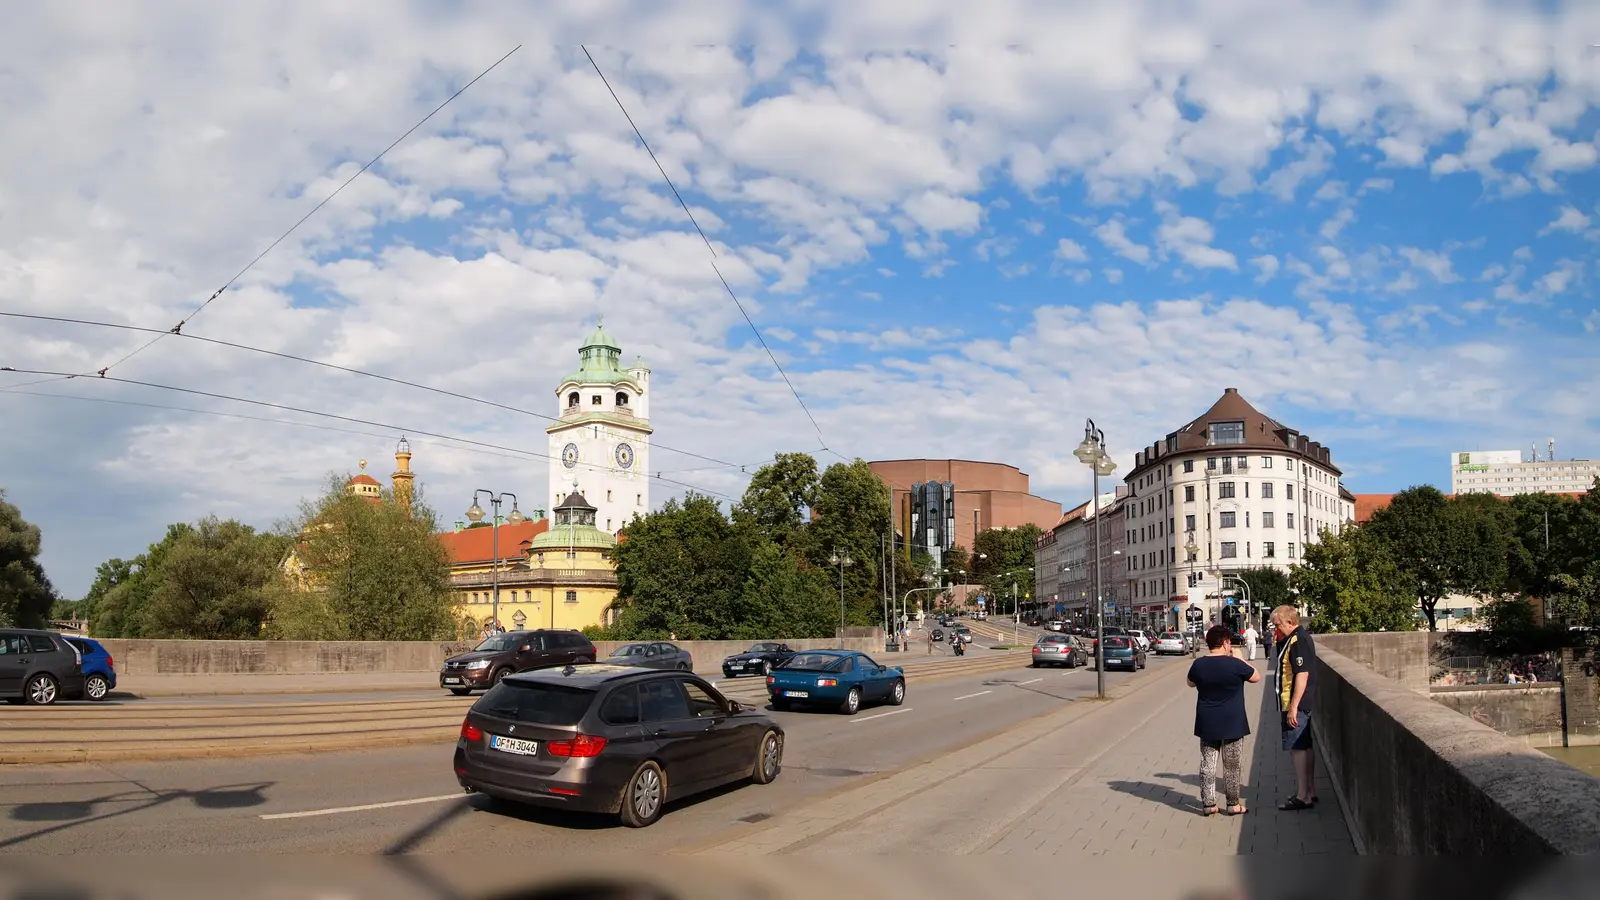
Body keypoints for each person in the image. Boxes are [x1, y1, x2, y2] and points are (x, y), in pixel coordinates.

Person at [1187, 624, 1260, 816]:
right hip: (1233, 722)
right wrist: (1241, 658)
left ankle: (1209, 804)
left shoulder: (1198, 664)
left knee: (1207, 762)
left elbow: (1190, 683)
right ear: (1226, 643)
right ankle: (1233, 804)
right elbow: (1256, 677)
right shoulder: (1235, 664)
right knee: (1232, 765)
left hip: (1207, 720)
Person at [1271, 605, 1318, 811]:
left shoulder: (1297, 641)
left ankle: (1302, 796)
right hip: (1302, 702)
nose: (1276, 630)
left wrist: (1293, 706)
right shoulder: (1297, 638)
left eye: (1278, 625)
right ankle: (1309, 790)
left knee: (1297, 747)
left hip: (1295, 702)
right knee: (1305, 746)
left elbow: (1302, 674)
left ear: (1290, 622)